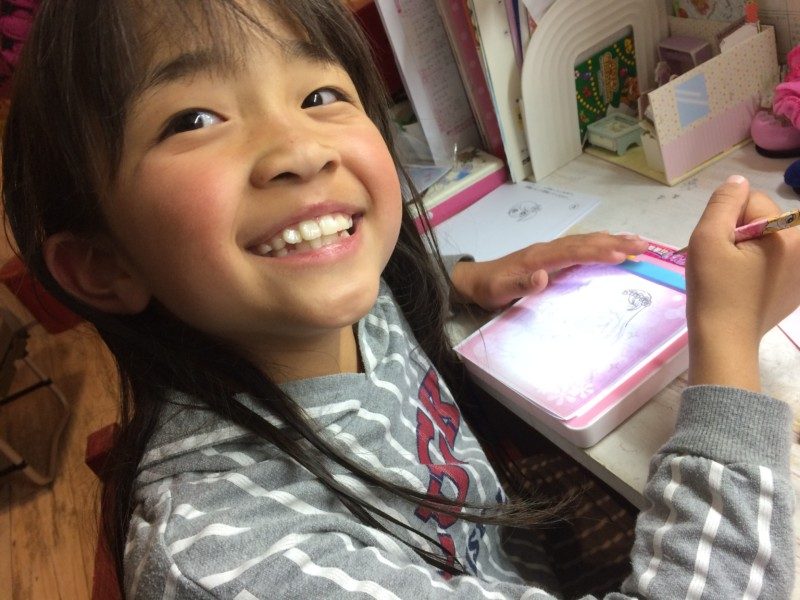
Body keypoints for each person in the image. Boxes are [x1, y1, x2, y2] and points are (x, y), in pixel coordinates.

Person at [3, 1, 798, 598]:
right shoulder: (238, 561)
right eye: (195, 118)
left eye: (320, 94)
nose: (300, 149)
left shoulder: (319, 303)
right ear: (104, 265)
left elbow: (373, 280)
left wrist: (463, 278)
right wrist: (726, 349)